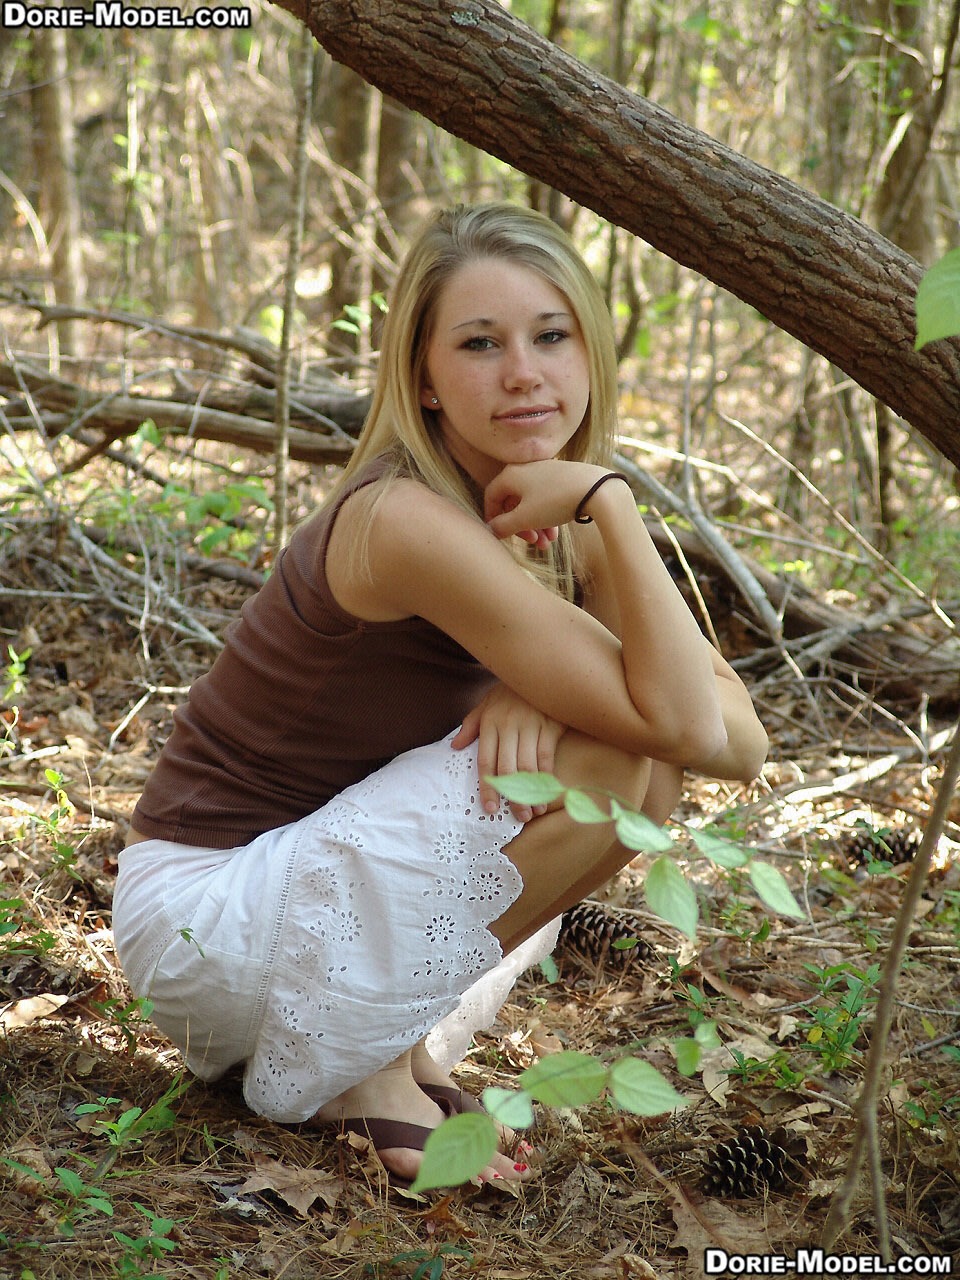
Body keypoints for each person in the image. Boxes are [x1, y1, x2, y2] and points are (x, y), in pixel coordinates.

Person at [113, 202, 768, 1187]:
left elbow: (737, 742)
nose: (524, 372)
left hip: (301, 908)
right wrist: (613, 501)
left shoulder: (554, 508)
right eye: (479, 343)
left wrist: (597, 535)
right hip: (207, 917)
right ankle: (362, 1071)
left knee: (647, 773)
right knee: (610, 754)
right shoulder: (401, 518)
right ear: (423, 377)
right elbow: (675, 718)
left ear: (591, 352)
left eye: (551, 336)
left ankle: (390, 1045)